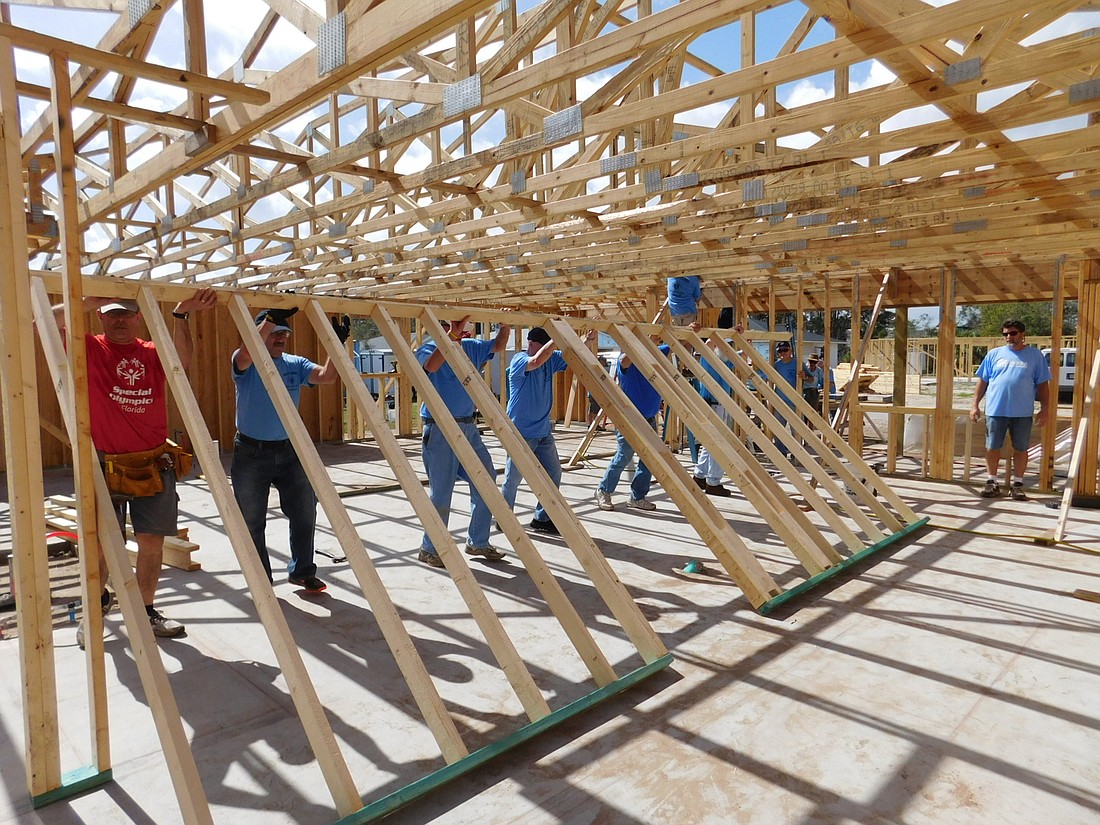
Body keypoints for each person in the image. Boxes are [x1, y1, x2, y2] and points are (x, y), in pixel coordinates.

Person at [54, 289, 218, 647]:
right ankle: (95, 610)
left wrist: (180, 315)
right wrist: (86, 299)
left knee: (151, 542)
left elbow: (181, 362)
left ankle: (145, 611)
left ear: (139, 317)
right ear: (101, 316)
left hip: (153, 462)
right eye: (112, 313)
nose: (119, 320)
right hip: (105, 463)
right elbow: (43, 324)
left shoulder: (149, 352)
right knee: (101, 546)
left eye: (126, 314)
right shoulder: (91, 348)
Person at [231, 308, 348, 591]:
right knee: (251, 520)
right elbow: (246, 354)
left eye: (284, 333)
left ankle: (302, 571)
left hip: (290, 451)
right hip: (251, 453)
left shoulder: (294, 363)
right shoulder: (245, 362)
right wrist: (268, 320)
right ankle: (261, 582)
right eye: (275, 333)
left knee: (305, 510)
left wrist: (336, 343)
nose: (281, 337)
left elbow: (327, 376)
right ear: (261, 333)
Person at [416, 315, 511, 567]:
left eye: (455, 325)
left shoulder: (469, 347)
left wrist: (505, 325)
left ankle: (477, 541)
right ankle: (430, 548)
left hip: (468, 426)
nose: (453, 328)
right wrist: (451, 338)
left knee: (486, 481)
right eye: (447, 326)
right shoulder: (426, 348)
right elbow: (431, 366)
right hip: (439, 428)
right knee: (441, 492)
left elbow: (498, 346)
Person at [501, 327, 596, 533]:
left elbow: (572, 353)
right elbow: (536, 361)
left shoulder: (551, 359)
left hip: (543, 432)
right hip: (521, 432)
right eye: (545, 347)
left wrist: (586, 340)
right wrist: (555, 339)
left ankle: (542, 518)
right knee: (513, 479)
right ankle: (503, 516)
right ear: (533, 343)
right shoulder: (519, 360)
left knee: (554, 472)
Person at [969, 319, 1050, 500]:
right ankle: (992, 482)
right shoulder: (994, 355)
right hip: (995, 411)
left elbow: (1043, 385)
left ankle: (1018, 485)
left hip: (1022, 413)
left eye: (1012, 333)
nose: (1008, 337)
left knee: (1021, 449)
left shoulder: (1035, 356)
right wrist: (975, 405)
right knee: (992, 447)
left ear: (1022, 334)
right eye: (1005, 334)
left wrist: (1045, 409)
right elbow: (983, 381)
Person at [595, 338, 669, 511]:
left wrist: (688, 328)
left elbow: (673, 344)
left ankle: (637, 497)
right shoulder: (627, 362)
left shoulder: (653, 356)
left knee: (649, 460)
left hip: (649, 419)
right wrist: (640, 344)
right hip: (630, 420)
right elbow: (624, 360)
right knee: (624, 456)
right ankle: (603, 490)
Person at [691, 335, 733, 496]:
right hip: (713, 406)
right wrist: (727, 332)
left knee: (709, 443)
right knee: (718, 444)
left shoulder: (725, 362)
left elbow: (741, 355)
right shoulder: (708, 360)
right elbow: (708, 342)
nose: (726, 350)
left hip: (720, 406)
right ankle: (713, 482)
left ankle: (699, 475)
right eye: (723, 347)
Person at [771, 341, 799, 457]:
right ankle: (781, 452)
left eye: (785, 350)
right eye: (780, 351)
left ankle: (797, 453)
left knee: (796, 430)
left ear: (790, 351)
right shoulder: (776, 365)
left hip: (794, 402)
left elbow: (811, 379)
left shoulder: (797, 363)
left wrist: (805, 376)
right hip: (780, 401)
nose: (783, 353)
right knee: (778, 429)